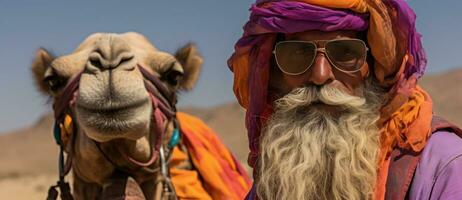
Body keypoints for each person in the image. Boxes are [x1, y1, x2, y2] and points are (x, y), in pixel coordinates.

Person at [228, 0, 462, 199]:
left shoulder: (443, 167)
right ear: (275, 70)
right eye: (298, 53)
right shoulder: (276, 172)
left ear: (374, 66)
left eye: (346, 53)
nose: (319, 76)